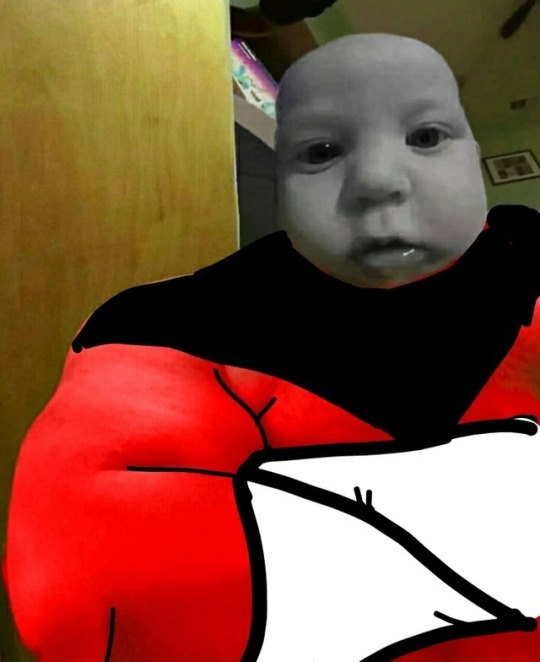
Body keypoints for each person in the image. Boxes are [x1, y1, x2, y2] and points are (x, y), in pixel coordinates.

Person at [5, 33, 540, 661]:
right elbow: (96, 600)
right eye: (321, 151)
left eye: (425, 136)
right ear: (282, 183)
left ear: (473, 153)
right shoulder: (161, 326)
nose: (377, 180)